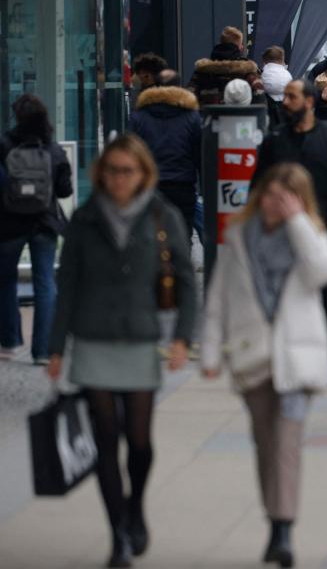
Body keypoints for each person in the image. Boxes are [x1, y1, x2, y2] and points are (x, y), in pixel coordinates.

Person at [46, 134, 196, 567]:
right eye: (111, 171)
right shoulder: (85, 219)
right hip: (92, 338)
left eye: (127, 171)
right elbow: (67, 284)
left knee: (141, 441)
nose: (118, 179)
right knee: (105, 439)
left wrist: (183, 338)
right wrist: (56, 347)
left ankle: (136, 509)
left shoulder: (161, 214)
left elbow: (186, 281)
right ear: (101, 173)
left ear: (143, 172)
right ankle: (118, 535)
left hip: (141, 338)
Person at [201, 162, 327, 569]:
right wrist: (209, 352)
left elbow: (325, 272)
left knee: (286, 445)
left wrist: (297, 220)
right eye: (271, 195)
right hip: (253, 355)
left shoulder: (309, 234)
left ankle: (283, 531)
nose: (274, 204)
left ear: (299, 200)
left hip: (296, 356)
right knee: (265, 445)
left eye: (285, 197)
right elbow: (218, 299)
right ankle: (274, 517)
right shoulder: (239, 235)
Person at [254, 80, 327, 380]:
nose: (285, 102)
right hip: (280, 231)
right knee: (281, 289)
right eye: (285, 96)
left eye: (292, 96)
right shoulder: (275, 140)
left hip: (322, 228)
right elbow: (258, 184)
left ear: (310, 102)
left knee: (324, 290)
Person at [0, 95, 73, 364]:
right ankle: (43, 351)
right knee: (45, 283)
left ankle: (9, 340)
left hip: (9, 224)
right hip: (45, 223)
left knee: (5, 281)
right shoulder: (53, 149)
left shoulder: (4, 145)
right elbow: (66, 190)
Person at [128, 81, 202, 242]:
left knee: (150, 235)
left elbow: (132, 153)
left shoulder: (139, 117)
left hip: (149, 186)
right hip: (182, 184)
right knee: (182, 235)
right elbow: (199, 155)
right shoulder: (192, 117)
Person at [187, 26, 259, 106]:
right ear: (239, 47)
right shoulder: (248, 70)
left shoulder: (203, 69)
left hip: (210, 116)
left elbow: (189, 97)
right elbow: (259, 97)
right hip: (241, 116)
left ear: (221, 43)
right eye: (241, 44)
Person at [262, 46, 293, 127]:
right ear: (282, 60)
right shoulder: (287, 74)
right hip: (284, 107)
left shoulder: (264, 73)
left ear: (265, 61)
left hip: (268, 105)